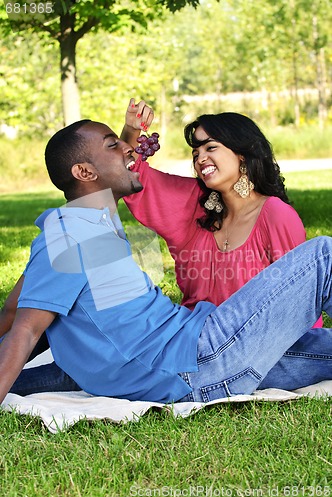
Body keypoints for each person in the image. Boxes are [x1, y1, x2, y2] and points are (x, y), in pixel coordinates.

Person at [0, 109, 331, 405]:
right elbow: (26, 327)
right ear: (85, 173)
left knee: (321, 347)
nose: (130, 149)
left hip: (197, 349)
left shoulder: (91, 228)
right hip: (197, 357)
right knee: (325, 254)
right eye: (113, 145)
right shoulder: (74, 232)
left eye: (211, 146)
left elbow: (20, 311)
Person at [123, 102, 322, 330]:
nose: (200, 159)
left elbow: (303, 299)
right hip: (191, 344)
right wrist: (131, 129)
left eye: (210, 148)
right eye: (196, 153)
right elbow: (131, 174)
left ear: (242, 154)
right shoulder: (195, 208)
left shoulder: (275, 215)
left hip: (255, 350)